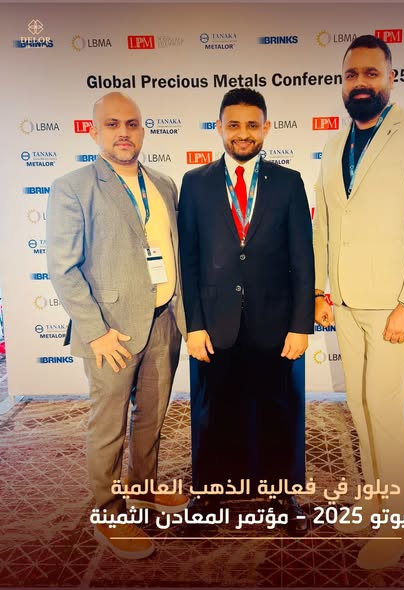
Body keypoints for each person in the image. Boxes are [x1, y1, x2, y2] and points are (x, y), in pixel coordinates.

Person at [313, 35, 404, 569]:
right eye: (352, 75)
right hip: (345, 302)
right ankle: (375, 502)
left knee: (387, 412)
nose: (361, 83)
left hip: (392, 304)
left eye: (372, 73)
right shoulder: (334, 145)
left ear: (391, 78)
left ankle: (398, 526)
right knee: (360, 406)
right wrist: (321, 290)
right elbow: (325, 224)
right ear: (342, 82)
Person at [46, 91, 188, 559]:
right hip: (111, 332)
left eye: (131, 124)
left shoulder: (164, 184)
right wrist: (96, 331)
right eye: (112, 124)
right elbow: (63, 268)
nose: (123, 133)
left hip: (163, 321)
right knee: (108, 426)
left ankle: (142, 489)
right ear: (94, 132)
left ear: (142, 130)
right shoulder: (73, 187)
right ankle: (108, 513)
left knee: (152, 417)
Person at [178, 88, 315, 535]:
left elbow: (303, 258)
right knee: (212, 411)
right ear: (219, 127)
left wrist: (300, 325)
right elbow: (188, 261)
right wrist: (194, 325)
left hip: (276, 323)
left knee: (280, 409)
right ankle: (208, 495)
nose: (243, 133)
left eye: (252, 125)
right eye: (233, 125)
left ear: (266, 128)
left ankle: (282, 493)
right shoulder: (195, 183)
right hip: (214, 322)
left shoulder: (289, 182)